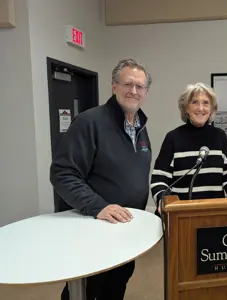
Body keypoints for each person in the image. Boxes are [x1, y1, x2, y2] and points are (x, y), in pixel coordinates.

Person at [50, 58, 152, 300]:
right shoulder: (89, 122)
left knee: (117, 283)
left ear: (146, 92)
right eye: (128, 84)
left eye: (140, 86)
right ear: (114, 86)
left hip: (125, 228)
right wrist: (99, 206)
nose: (133, 91)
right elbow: (63, 173)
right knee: (87, 290)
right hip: (93, 229)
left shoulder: (140, 126)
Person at [151, 82, 227, 212]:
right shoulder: (173, 138)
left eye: (206, 103)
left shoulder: (219, 137)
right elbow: (159, 179)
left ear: (211, 109)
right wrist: (164, 202)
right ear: (186, 108)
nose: (200, 108)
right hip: (181, 217)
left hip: (215, 216)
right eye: (194, 102)